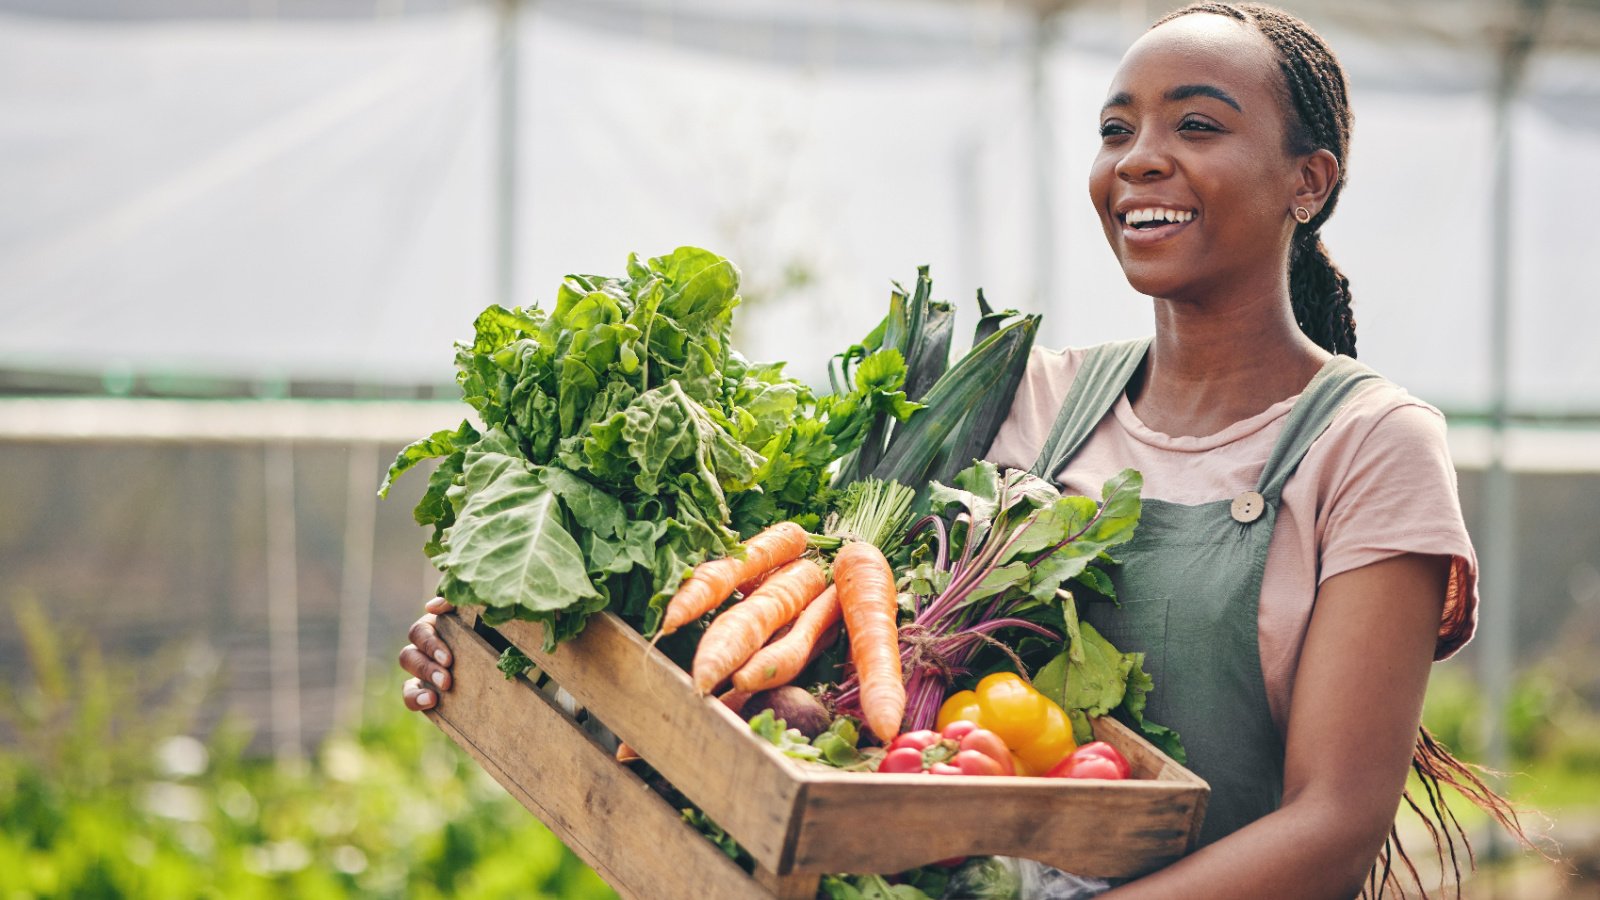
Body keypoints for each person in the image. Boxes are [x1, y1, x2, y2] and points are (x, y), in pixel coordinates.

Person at [400, 3, 1526, 895]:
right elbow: (847, 673)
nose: (1138, 158)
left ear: (1308, 182)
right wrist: (530, 654)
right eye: (1114, 128)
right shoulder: (1034, 399)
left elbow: (1332, 826)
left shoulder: (1370, 446)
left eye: (1196, 124)